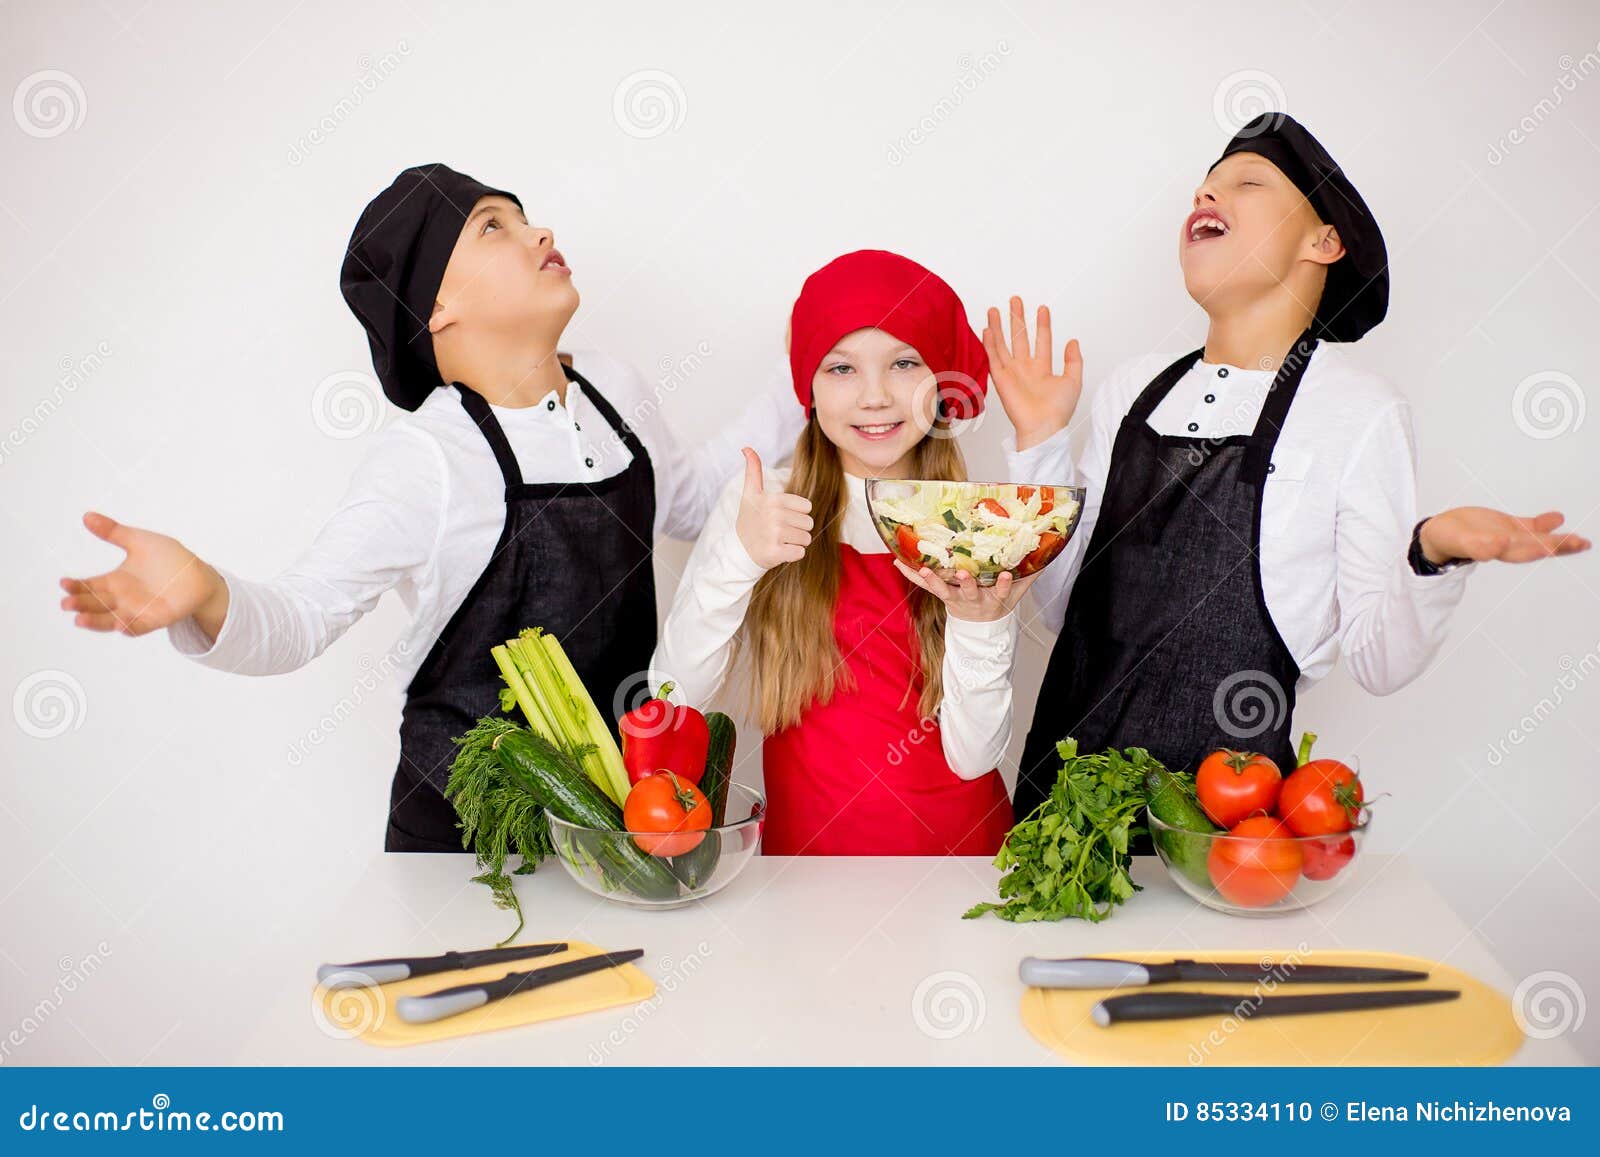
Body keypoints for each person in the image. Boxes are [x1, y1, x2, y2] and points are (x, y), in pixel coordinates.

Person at [59, 163, 802, 851]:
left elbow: (699, 499)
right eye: (492, 226)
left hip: (615, 832)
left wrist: (809, 370)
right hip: (462, 852)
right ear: (435, 306)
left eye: (525, 218)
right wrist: (208, 592)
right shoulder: (430, 460)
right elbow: (302, 616)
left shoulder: (616, 389)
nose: (540, 233)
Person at [988, 113, 1591, 838]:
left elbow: (1380, 661)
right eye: (1203, 189)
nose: (1207, 199)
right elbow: (1059, 611)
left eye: (1246, 182)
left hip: (1227, 845)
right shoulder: (1131, 389)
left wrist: (1433, 553)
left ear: (1324, 241)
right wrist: (1039, 441)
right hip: (1060, 825)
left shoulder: (1357, 409)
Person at [652, 249, 1032, 855]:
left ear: (941, 384)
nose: (875, 396)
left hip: (963, 868)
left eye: (904, 363)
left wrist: (979, 623)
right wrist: (740, 561)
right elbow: (674, 698)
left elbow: (974, 758)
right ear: (807, 387)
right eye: (841, 369)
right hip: (804, 872)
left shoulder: (979, 521)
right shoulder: (761, 503)